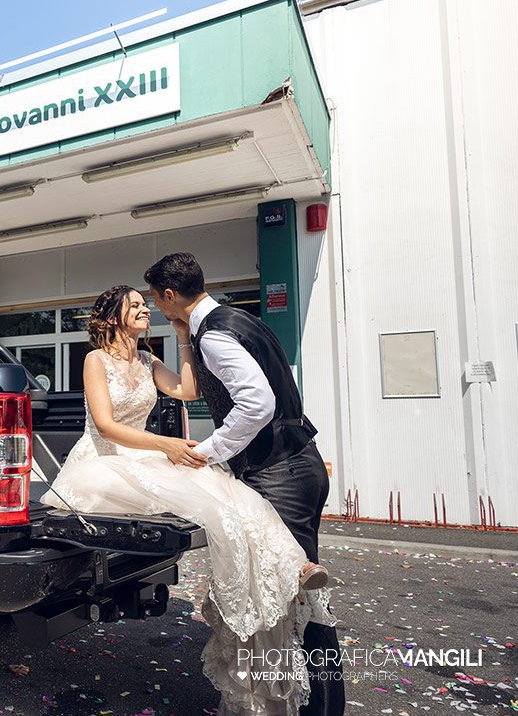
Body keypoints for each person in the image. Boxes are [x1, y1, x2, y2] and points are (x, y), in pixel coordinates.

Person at [40, 284, 332, 716]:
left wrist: (182, 337)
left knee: (232, 494)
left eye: (146, 303)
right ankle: (263, 589)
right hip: (105, 462)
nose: (144, 309)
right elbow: (104, 426)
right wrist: (166, 446)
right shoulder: (94, 360)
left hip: (150, 454)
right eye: (135, 305)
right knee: (214, 506)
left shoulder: (147, 359)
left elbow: (186, 390)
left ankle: (294, 565)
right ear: (113, 316)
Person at [144, 252, 345, 716]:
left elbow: (257, 404)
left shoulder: (215, 336)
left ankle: (320, 709)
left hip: (281, 473)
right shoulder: (235, 320)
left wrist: (207, 452)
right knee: (296, 593)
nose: (157, 307)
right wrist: (183, 337)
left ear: (170, 295)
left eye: (157, 299)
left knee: (295, 601)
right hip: (299, 463)